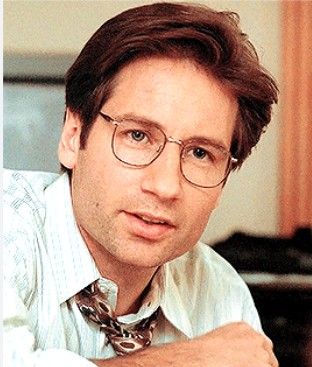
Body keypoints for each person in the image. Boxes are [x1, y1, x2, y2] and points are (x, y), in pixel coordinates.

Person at [3, 2, 279, 367]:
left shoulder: (219, 293)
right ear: (73, 135)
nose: (165, 186)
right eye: (137, 135)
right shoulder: (10, 230)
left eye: (199, 153)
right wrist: (184, 362)